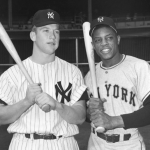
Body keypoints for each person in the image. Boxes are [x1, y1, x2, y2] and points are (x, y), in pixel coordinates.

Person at [0, 9, 88, 150]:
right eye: (45, 30)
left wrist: (57, 105)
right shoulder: (12, 74)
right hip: (25, 144)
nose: (52, 36)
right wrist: (26, 102)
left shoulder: (73, 72)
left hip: (64, 144)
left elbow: (80, 117)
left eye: (56, 31)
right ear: (33, 35)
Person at [84, 16, 150, 150]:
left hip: (129, 144)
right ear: (93, 45)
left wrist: (114, 121)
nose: (104, 43)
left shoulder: (138, 67)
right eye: (98, 40)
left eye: (109, 38)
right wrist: (90, 112)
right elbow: (87, 117)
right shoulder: (90, 75)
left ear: (118, 39)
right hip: (96, 144)